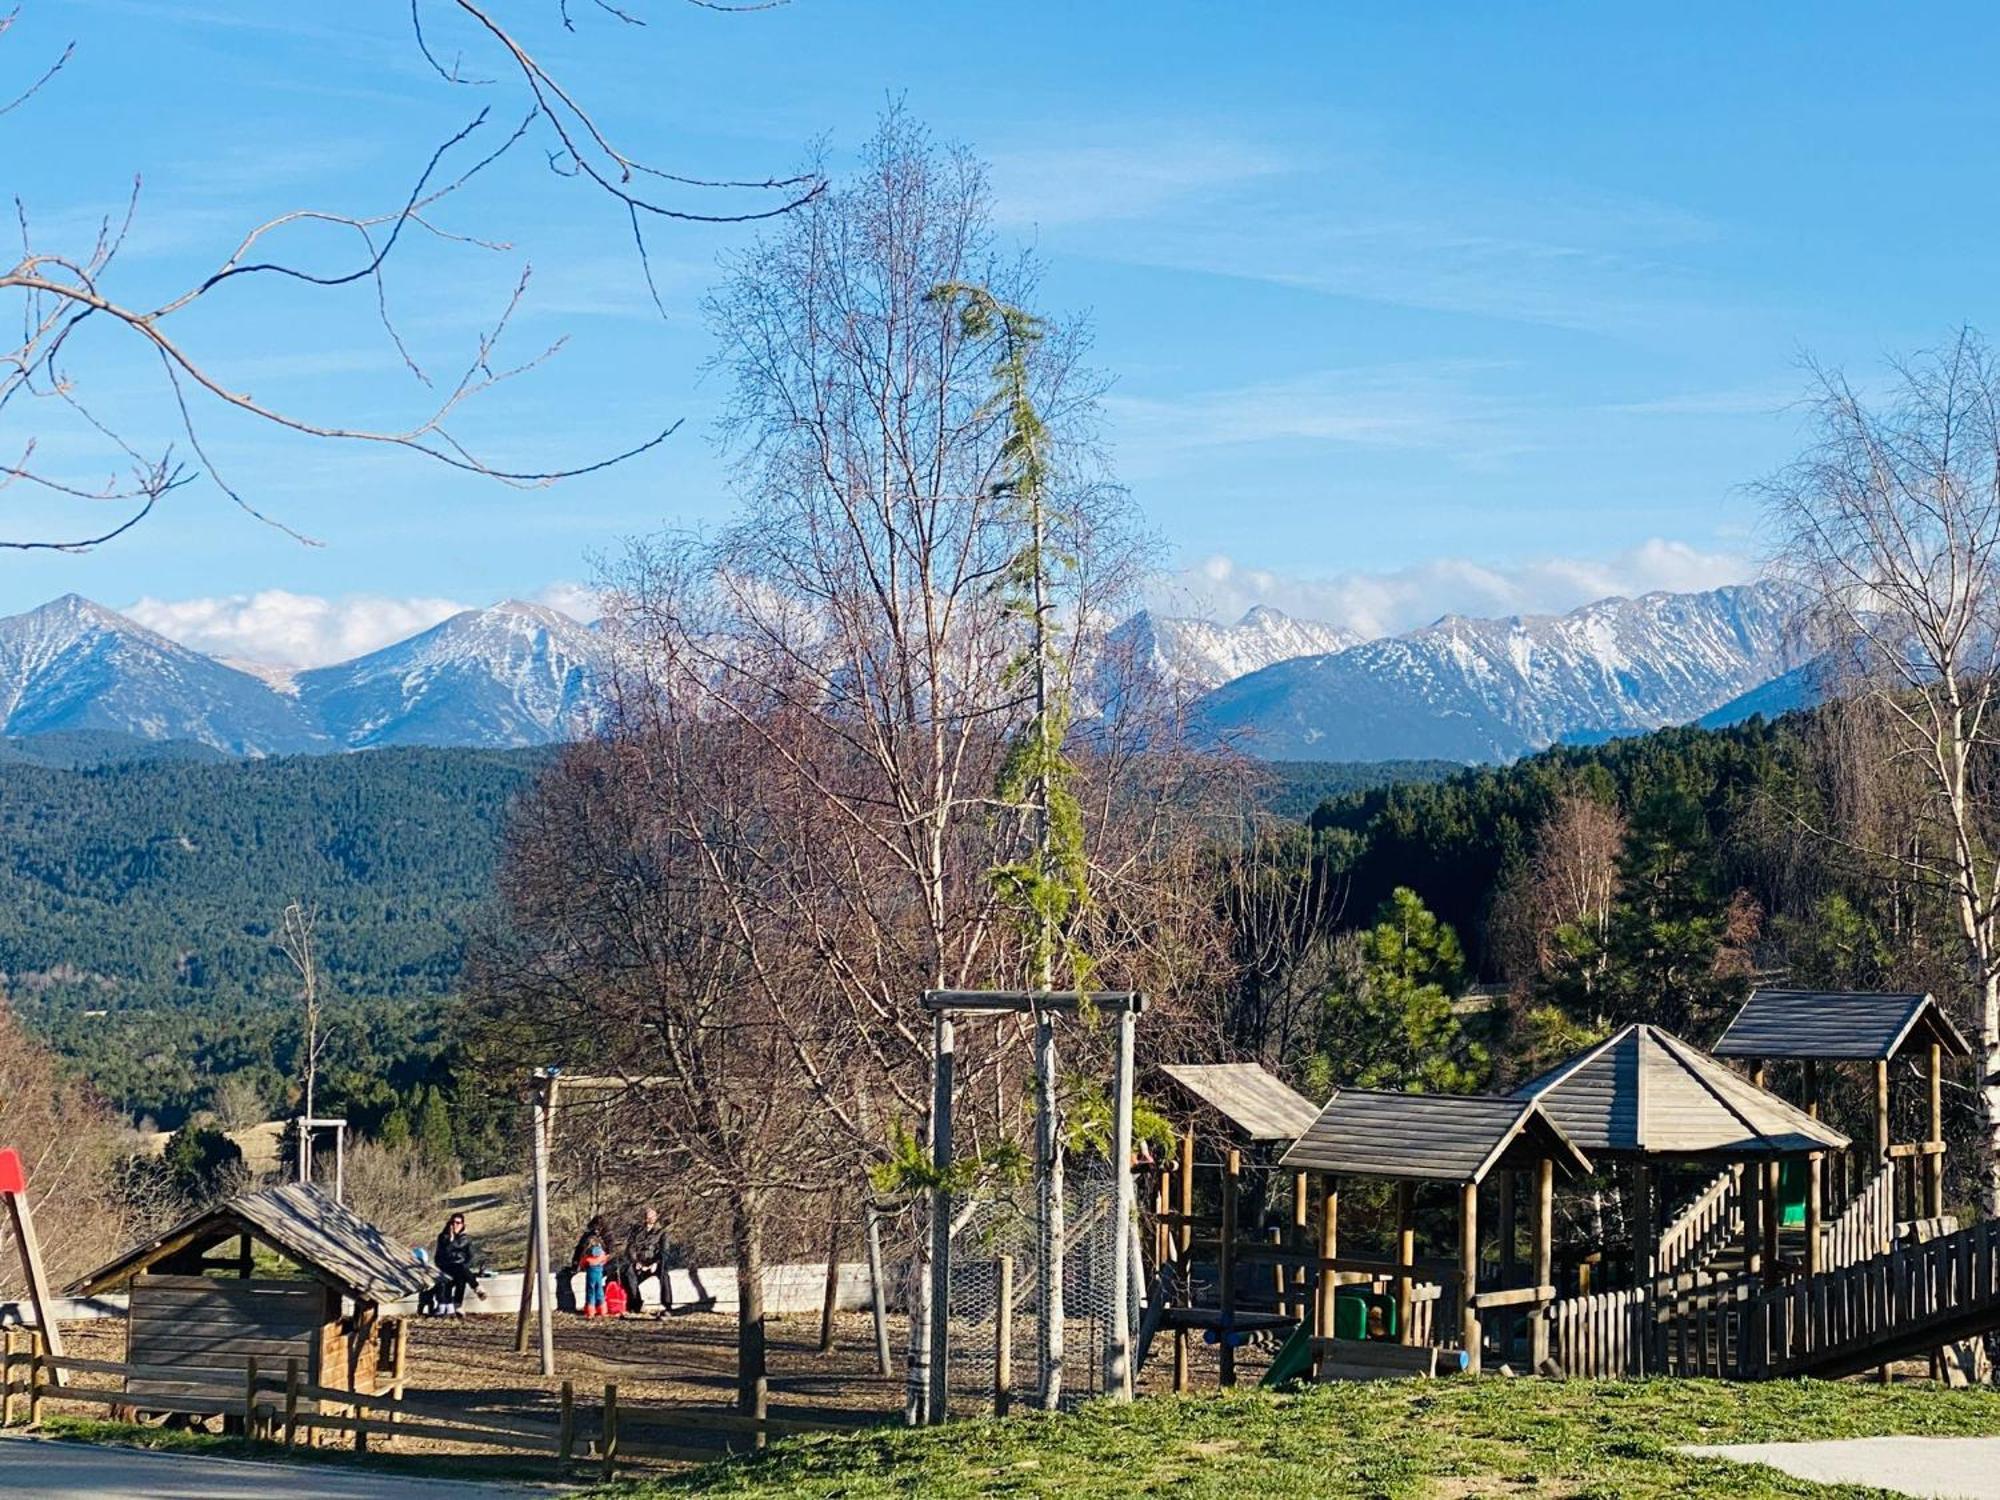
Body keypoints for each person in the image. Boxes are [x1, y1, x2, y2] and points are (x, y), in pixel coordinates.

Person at [618, 1206, 669, 1317]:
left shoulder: (661, 1232)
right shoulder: (636, 1232)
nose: (650, 1218)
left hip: (654, 1264)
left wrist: (655, 1263)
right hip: (639, 1263)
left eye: (652, 1216)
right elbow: (630, 1248)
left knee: (664, 1274)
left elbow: (664, 1252)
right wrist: (636, 1262)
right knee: (628, 1272)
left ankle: (666, 1305)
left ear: (656, 1218)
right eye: (647, 1216)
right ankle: (636, 1304)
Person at [427, 1212, 478, 1316]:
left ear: (463, 1225)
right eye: (453, 1222)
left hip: (461, 1267)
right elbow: (442, 1255)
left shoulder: (466, 1239)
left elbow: (470, 1256)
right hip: (446, 1267)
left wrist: (466, 1266)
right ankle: (476, 1287)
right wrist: (450, 1239)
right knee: (456, 1274)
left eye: (458, 1223)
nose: (455, 1225)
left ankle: (457, 1305)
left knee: (462, 1273)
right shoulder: (443, 1237)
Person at [577, 1217, 611, 1318]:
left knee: (590, 1291)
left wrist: (579, 1265)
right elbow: (606, 1257)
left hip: (590, 1273)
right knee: (599, 1290)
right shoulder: (602, 1256)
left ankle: (590, 1311)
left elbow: (582, 1261)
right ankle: (603, 1310)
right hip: (599, 1272)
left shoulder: (587, 1257)